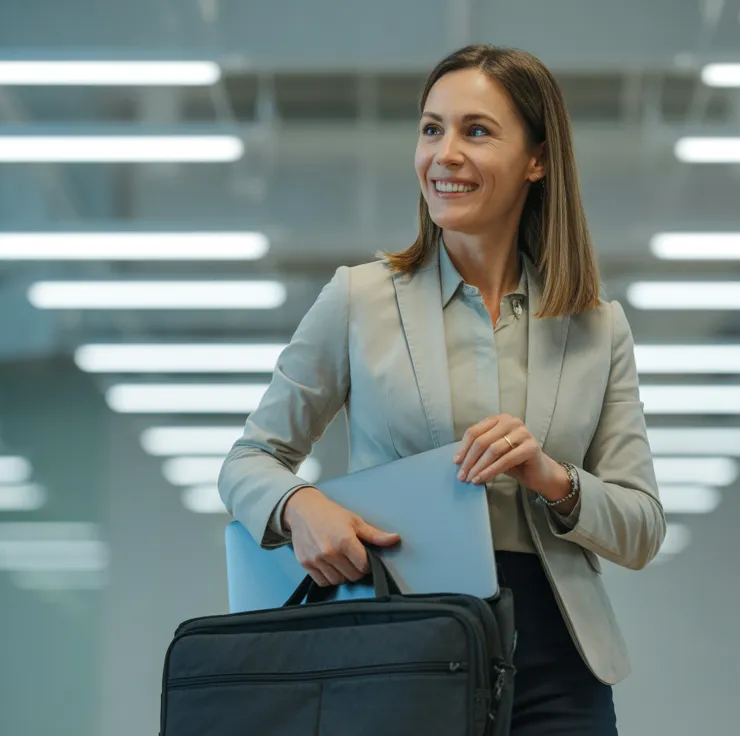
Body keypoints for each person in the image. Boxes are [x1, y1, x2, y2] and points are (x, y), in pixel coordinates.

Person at [219, 44, 665, 736]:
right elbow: (248, 460)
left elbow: (641, 529)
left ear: (537, 160)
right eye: (432, 129)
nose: (444, 154)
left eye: (476, 131)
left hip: (558, 661)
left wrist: (551, 477)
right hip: (401, 643)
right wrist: (299, 504)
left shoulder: (597, 327)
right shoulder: (359, 299)